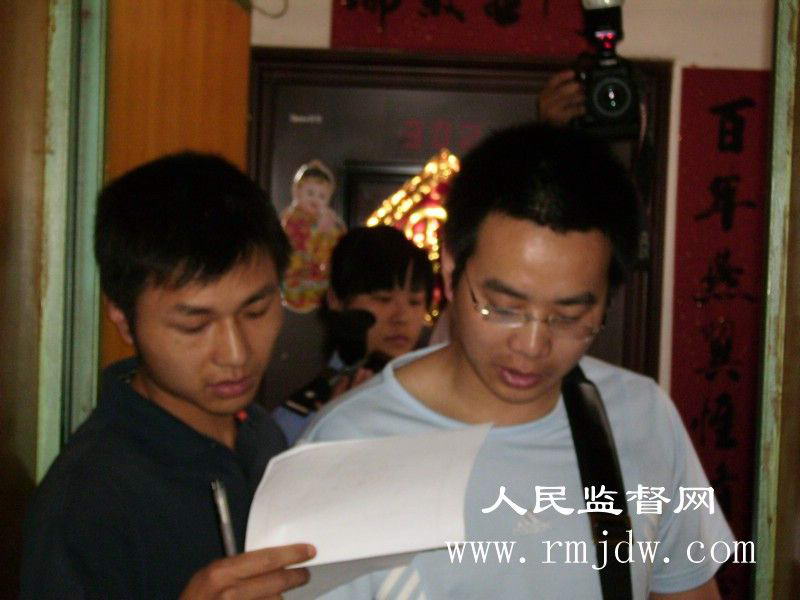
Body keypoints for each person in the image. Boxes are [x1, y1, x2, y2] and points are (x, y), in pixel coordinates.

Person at [301, 123, 735, 599]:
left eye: (569, 316)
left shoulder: (641, 417)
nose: (531, 346)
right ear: (451, 265)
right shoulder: (346, 444)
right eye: (503, 308)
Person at [20, 152, 315, 598]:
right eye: (194, 326)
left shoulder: (261, 436)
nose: (236, 354)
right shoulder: (87, 502)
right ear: (123, 319)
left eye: (256, 311)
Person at [273, 225, 435, 444]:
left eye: (415, 302)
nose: (402, 317)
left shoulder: (438, 400)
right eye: (383, 299)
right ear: (336, 299)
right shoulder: (298, 415)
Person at [281, 159, 347, 313]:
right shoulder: (292, 219)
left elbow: (339, 246)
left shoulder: (329, 220)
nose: (315, 199)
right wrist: (318, 230)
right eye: (310, 193)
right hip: (296, 279)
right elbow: (299, 245)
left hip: (321, 280)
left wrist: (331, 230)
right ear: (297, 192)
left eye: (322, 196)